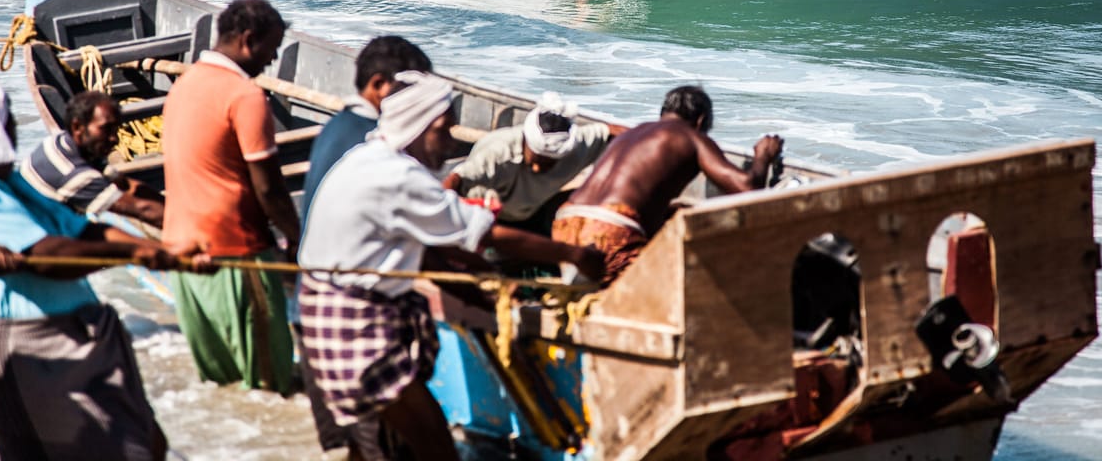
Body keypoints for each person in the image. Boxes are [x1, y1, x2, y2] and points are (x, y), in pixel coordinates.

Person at [299, 72, 603, 461]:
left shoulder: (365, 157)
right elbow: (485, 234)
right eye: (443, 130)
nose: (451, 142)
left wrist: (480, 282)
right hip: (352, 323)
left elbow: (427, 253)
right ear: (417, 127)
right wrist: (574, 255)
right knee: (436, 447)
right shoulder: (399, 176)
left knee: (380, 446)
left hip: (331, 312)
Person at [0, 78, 211, 460]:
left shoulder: (10, 184)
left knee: (145, 441)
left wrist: (162, 249)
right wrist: (136, 255)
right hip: (40, 344)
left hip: (81, 333)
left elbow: (86, 229)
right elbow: (49, 256)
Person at [297, 35, 432, 461]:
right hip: (354, 331)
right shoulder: (372, 143)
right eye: (411, 92)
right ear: (380, 86)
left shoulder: (339, 126)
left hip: (313, 315)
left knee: (352, 449)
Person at [161, 0, 300, 395]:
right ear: (248, 40)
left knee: (222, 383)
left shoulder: (185, 84)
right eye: (271, 50)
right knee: (270, 384)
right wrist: (298, 238)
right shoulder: (245, 96)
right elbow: (269, 187)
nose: (271, 61)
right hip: (235, 253)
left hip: (182, 250)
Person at [552, 85, 783, 284]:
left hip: (565, 223)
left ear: (663, 113)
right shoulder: (690, 137)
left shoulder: (631, 134)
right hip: (613, 229)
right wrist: (763, 156)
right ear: (701, 120)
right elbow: (748, 189)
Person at [443, 91, 613, 236]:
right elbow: (455, 179)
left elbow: (614, 133)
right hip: (487, 217)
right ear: (527, 142)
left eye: (549, 164)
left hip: (534, 211)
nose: (538, 168)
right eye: (537, 159)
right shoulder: (497, 152)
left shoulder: (576, 145)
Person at [20, 90, 165, 228]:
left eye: (115, 129)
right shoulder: (76, 174)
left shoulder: (61, 141)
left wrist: (169, 204)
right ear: (78, 127)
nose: (114, 138)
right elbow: (144, 210)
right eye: (106, 129)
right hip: (48, 237)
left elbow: (126, 185)